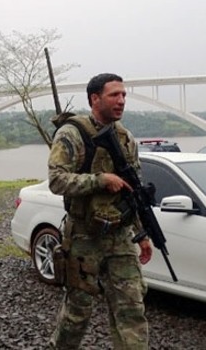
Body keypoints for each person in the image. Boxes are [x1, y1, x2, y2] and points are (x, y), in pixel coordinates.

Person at [47, 73, 153, 349]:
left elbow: (135, 193)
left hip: (120, 237)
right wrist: (100, 180)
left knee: (132, 310)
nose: (121, 101)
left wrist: (142, 233)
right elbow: (57, 181)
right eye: (114, 95)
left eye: (124, 95)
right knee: (77, 313)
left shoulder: (126, 138)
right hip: (84, 237)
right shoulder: (72, 134)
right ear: (95, 99)